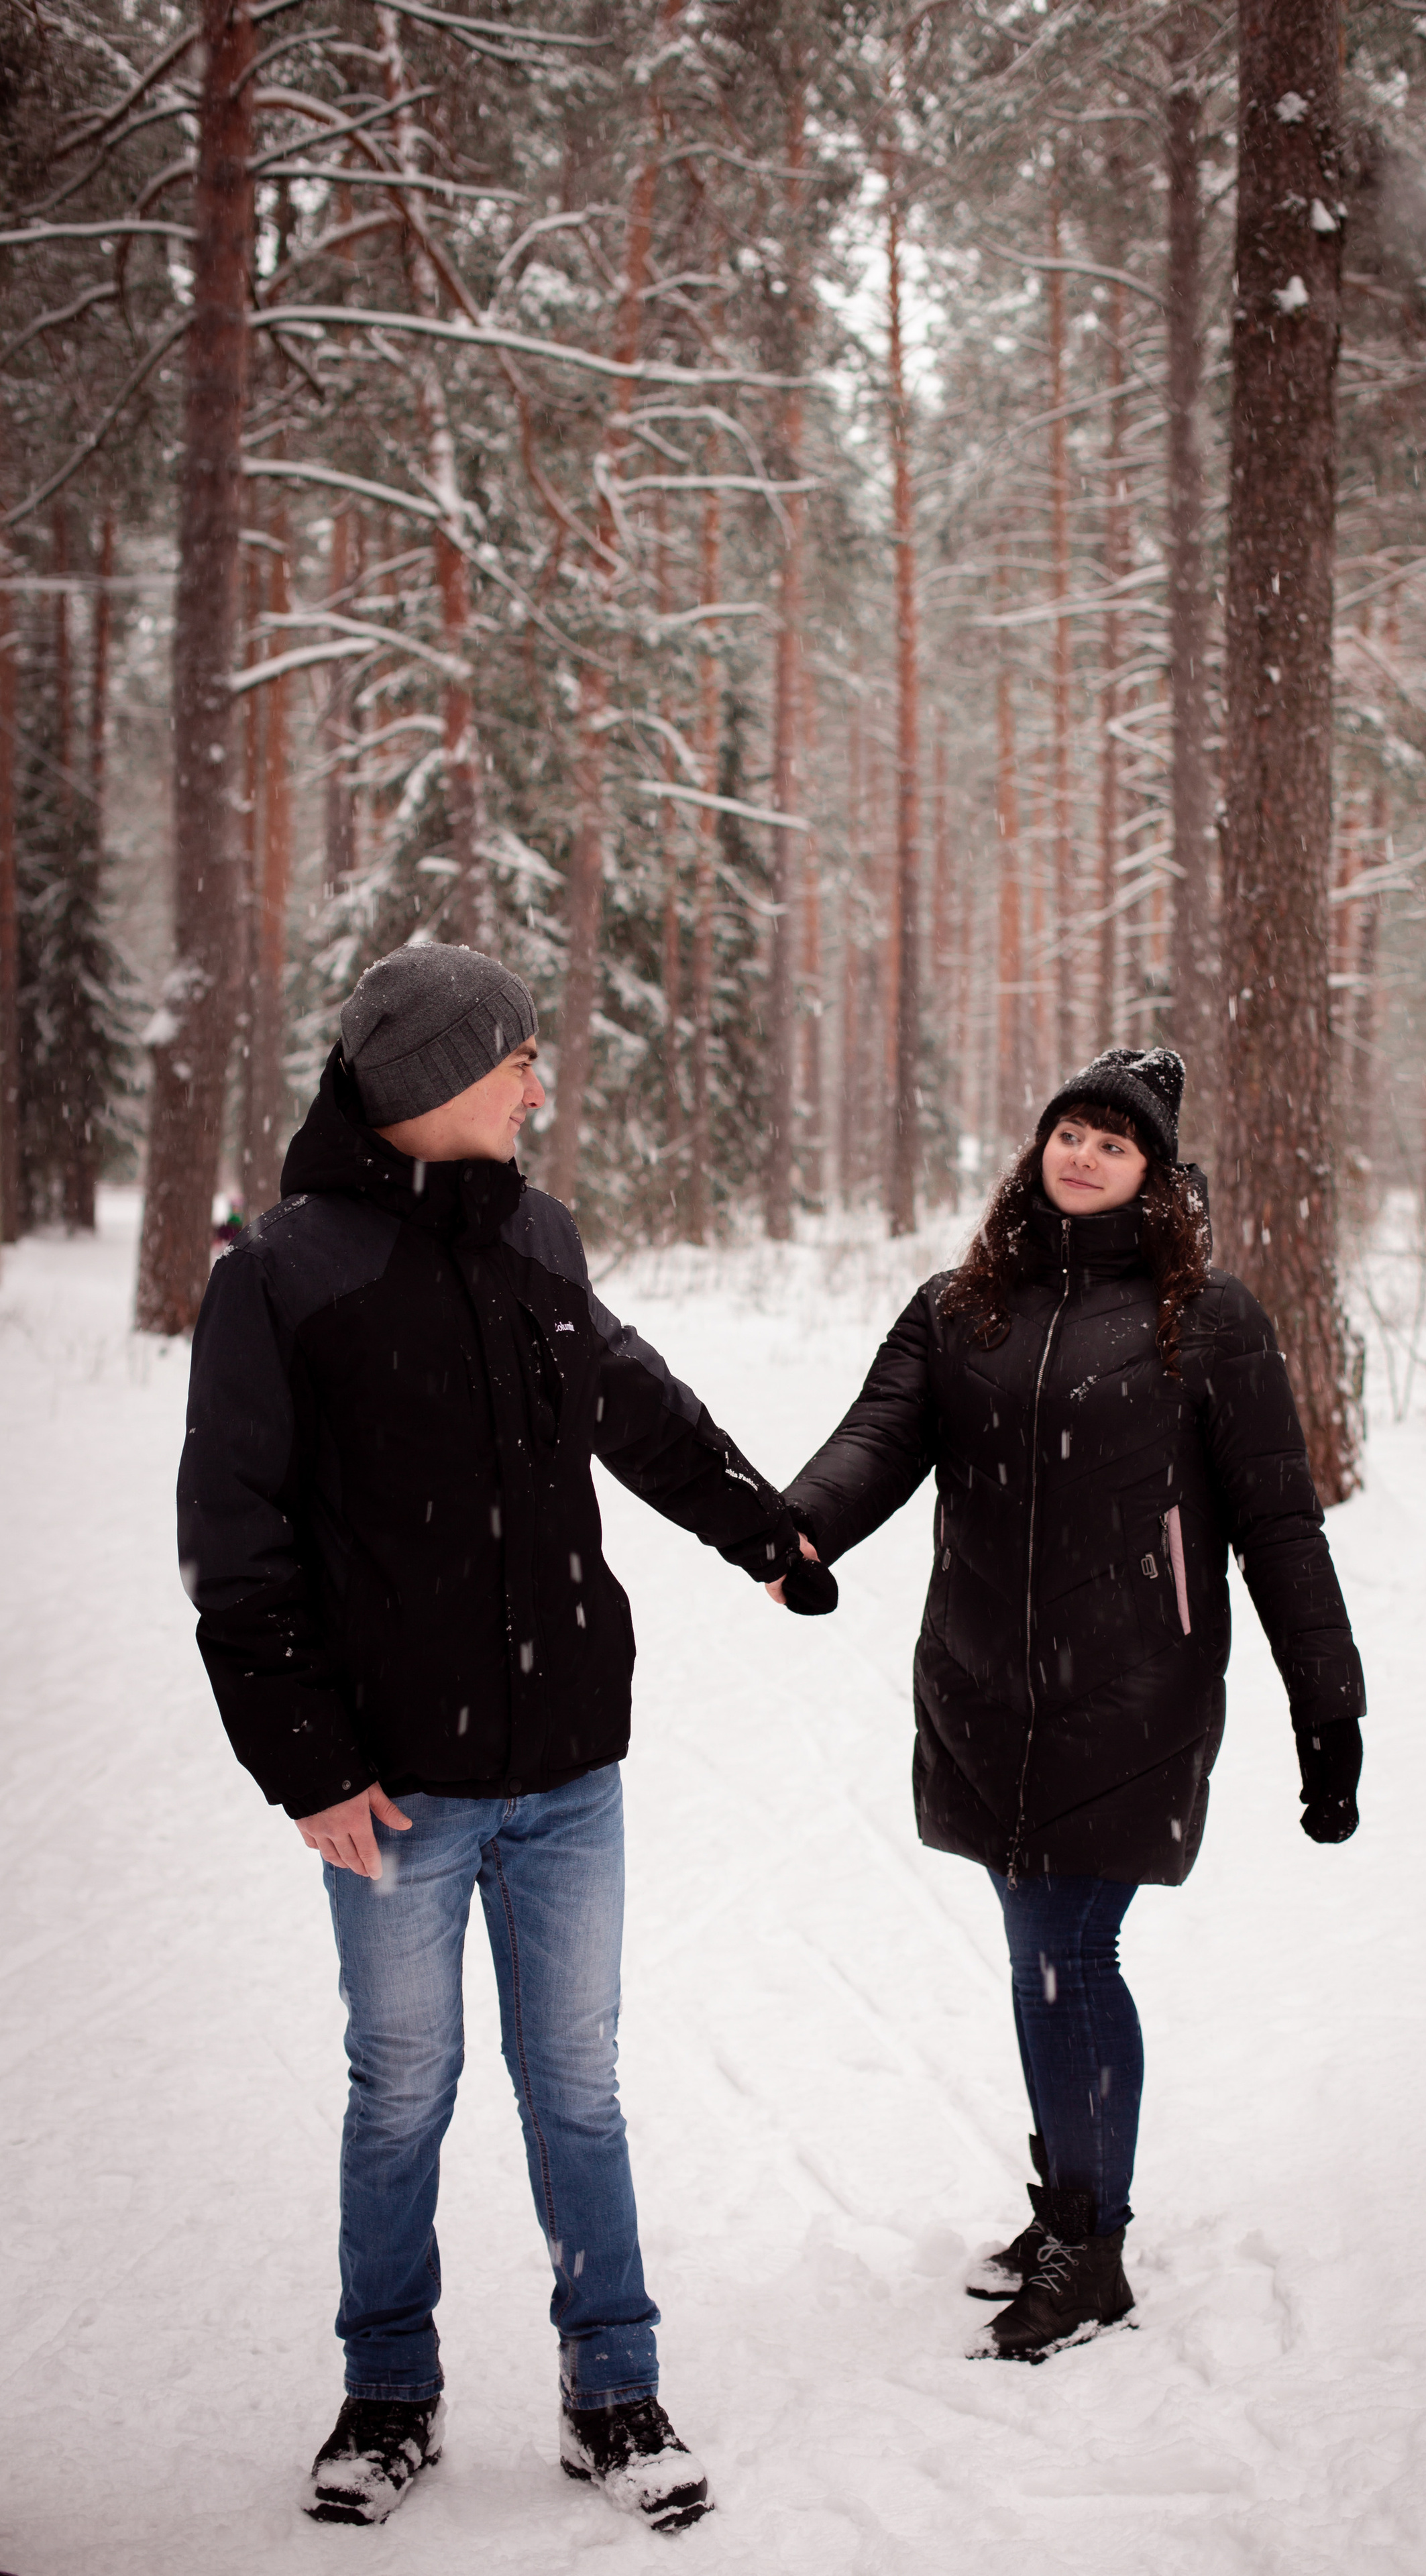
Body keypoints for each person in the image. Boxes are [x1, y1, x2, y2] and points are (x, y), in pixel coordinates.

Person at [178, 943, 830, 2530]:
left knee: (579, 2087)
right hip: (395, 1785)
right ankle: (387, 2390)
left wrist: (761, 1527)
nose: (542, 1084)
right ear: (428, 1084)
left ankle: (612, 2388)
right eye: (520, 1059)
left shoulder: (540, 1233)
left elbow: (632, 1398)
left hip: (566, 1768)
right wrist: (309, 1764)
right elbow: (234, 1533)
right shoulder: (284, 1275)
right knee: (401, 2085)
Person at [771, 1046, 1365, 2363]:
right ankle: (1066, 2213)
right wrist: (798, 1533)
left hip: (1131, 1691)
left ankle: (1090, 2249)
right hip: (981, 1684)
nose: (1084, 1154)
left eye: (1114, 1140)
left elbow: (1275, 1521)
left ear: (1153, 1174)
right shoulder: (959, 1305)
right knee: (1040, 1956)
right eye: (1070, 1132)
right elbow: (876, 1439)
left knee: (1064, 1953)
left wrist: (1325, 1709)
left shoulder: (1206, 1317)